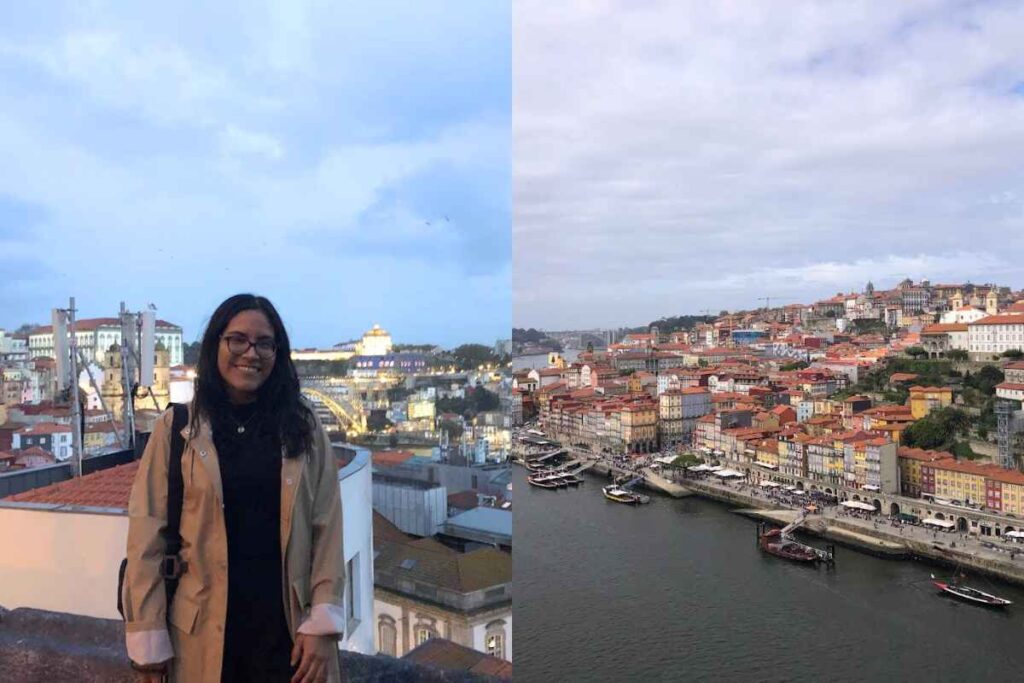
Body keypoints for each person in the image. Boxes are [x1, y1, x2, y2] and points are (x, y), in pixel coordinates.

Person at [122, 294, 346, 683]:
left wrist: (323, 624)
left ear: (278, 353)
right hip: (199, 636)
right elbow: (146, 540)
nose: (251, 353)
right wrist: (147, 637)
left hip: (290, 638)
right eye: (237, 339)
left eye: (264, 343)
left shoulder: (303, 426)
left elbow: (327, 528)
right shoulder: (176, 429)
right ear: (216, 345)